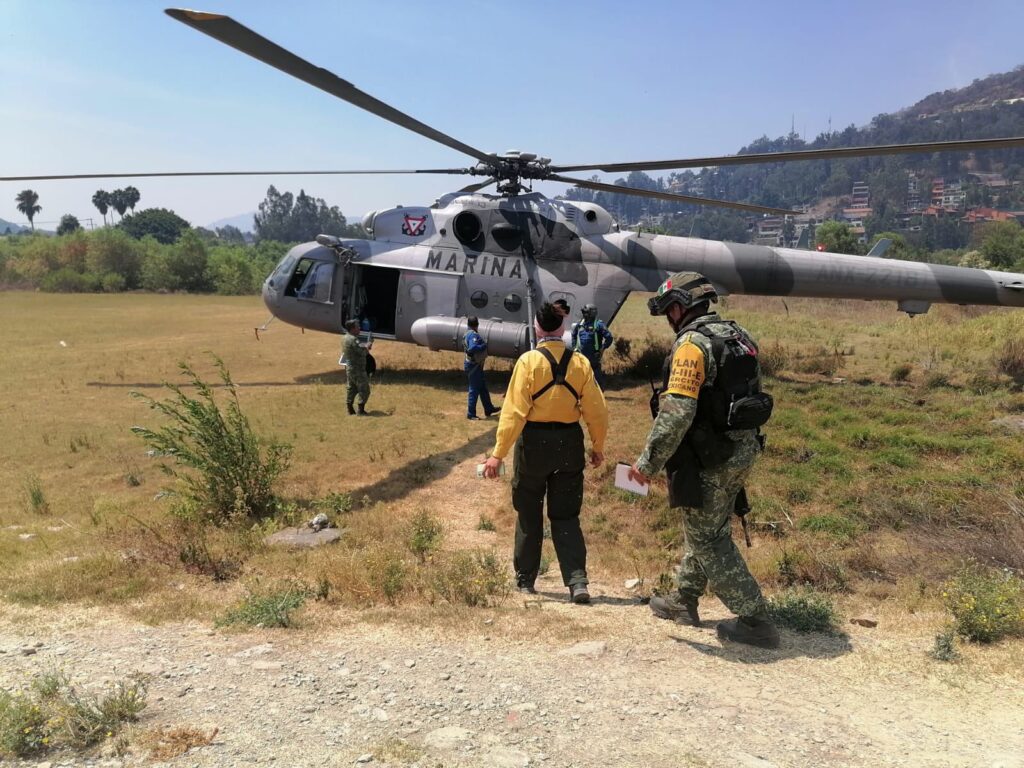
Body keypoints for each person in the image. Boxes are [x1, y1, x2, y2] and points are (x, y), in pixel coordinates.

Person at [627, 272, 779, 648]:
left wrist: (645, 465)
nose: (668, 319)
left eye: (668, 311)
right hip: (742, 450)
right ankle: (684, 599)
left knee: (709, 539)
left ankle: (755, 619)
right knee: (704, 525)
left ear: (679, 307)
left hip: (712, 457)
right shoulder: (737, 335)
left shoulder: (692, 346)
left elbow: (676, 413)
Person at [483, 302, 608, 604]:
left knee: (528, 513)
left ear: (537, 327)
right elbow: (597, 410)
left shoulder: (528, 362)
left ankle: (526, 580)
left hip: (534, 446)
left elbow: (513, 413)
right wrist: (598, 446)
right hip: (569, 443)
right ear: (562, 328)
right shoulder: (580, 364)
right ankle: (577, 582)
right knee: (566, 515)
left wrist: (497, 454)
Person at [464, 316, 499, 420]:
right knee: (474, 389)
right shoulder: (473, 335)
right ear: (477, 325)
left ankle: (488, 408)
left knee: (483, 388)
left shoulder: (467, 334)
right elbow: (472, 348)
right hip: (474, 365)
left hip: (474, 365)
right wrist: (483, 346)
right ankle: (471, 414)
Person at [571, 303, 613, 389]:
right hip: (580, 356)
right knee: (579, 379)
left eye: (586, 313)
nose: (584, 314)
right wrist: (575, 348)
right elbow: (574, 335)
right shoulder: (579, 324)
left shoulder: (598, 324)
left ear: (592, 313)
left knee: (596, 380)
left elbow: (609, 338)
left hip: (594, 356)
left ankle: (599, 395)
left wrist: (602, 348)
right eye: (584, 312)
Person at [342, 318, 372, 415]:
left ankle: (350, 409)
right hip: (358, 369)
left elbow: (355, 348)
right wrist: (367, 347)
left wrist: (363, 345)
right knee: (365, 389)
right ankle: (361, 410)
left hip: (350, 367)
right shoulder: (354, 339)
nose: (359, 328)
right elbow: (363, 353)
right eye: (357, 327)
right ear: (352, 329)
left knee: (351, 388)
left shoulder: (345, 337)